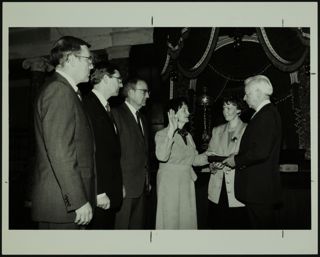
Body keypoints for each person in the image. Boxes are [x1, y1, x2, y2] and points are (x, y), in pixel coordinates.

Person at [31, 36, 95, 229]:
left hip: (63, 203)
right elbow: (60, 151)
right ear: (71, 59)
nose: (91, 66)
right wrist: (77, 200)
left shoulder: (66, 90)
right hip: (63, 205)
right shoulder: (59, 91)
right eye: (88, 59)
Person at [223, 75, 282, 229]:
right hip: (258, 191)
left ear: (258, 92)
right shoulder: (264, 113)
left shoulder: (267, 115)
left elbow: (261, 152)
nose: (244, 97)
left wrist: (236, 160)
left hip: (259, 191)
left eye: (247, 94)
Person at [155, 97, 210, 229]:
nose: (188, 112)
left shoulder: (188, 136)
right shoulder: (162, 134)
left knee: (186, 220)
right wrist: (171, 131)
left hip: (186, 182)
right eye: (184, 109)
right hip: (170, 183)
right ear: (173, 113)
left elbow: (194, 160)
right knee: (170, 219)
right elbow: (162, 156)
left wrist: (211, 156)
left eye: (187, 109)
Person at [82, 62, 124, 229]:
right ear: (106, 78)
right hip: (98, 194)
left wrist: (118, 184)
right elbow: (90, 151)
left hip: (109, 190)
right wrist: (98, 192)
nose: (121, 84)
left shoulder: (105, 107)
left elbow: (111, 153)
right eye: (118, 79)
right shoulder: (88, 105)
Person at [205, 95, 249, 229]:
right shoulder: (216, 130)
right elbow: (210, 154)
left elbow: (249, 157)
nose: (225, 111)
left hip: (238, 188)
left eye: (229, 107)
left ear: (239, 110)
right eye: (224, 108)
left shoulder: (248, 129)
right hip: (217, 189)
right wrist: (213, 166)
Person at [112, 77, 151, 229]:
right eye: (144, 92)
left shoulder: (142, 118)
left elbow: (144, 153)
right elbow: (113, 154)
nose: (147, 96)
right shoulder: (116, 114)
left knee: (136, 230)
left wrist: (147, 180)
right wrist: (118, 184)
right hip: (124, 188)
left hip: (141, 187)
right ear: (130, 92)